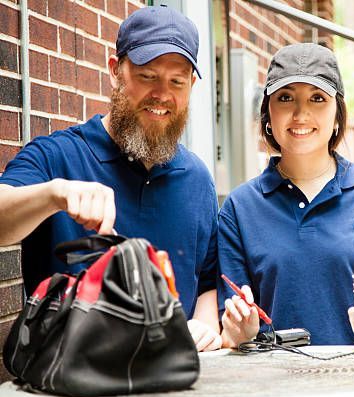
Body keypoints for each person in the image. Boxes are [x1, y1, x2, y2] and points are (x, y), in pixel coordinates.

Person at [0, 6, 221, 351]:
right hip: (71, 386)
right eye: (148, 75)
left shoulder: (197, 178)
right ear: (116, 71)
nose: (162, 95)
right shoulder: (57, 156)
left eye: (176, 81)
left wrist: (205, 325)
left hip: (173, 381)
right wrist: (53, 195)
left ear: (191, 85)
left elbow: (208, 280)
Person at [218, 43, 354, 348]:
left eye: (317, 98)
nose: (301, 113)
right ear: (268, 115)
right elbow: (230, 333)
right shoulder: (239, 209)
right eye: (286, 97)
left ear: (337, 116)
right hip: (271, 390)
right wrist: (240, 331)